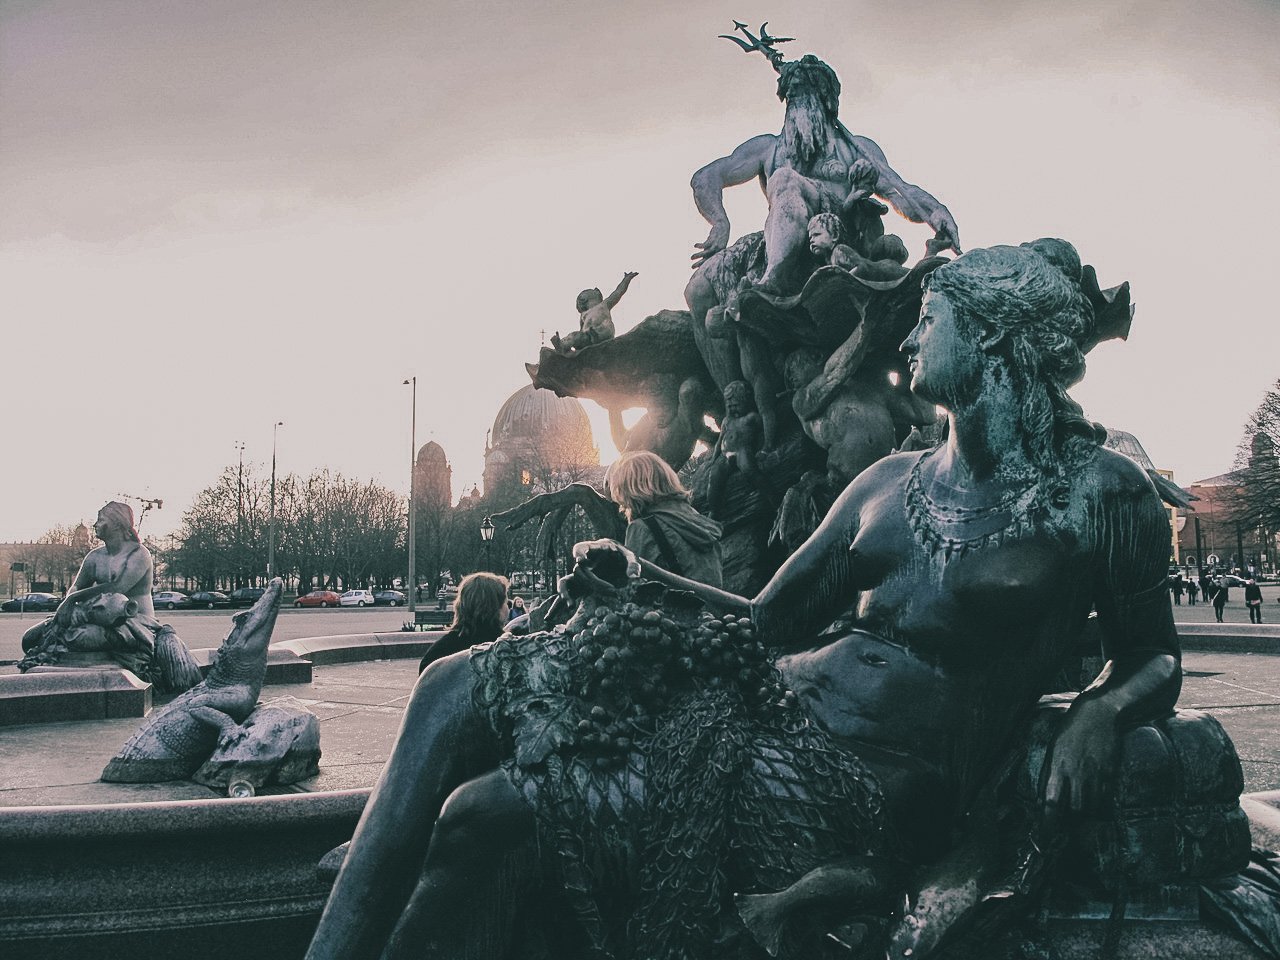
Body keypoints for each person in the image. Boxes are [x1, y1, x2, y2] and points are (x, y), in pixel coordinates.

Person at [305, 240, 1180, 960]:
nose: (912, 339)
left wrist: (1102, 709)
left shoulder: (1102, 492)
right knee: (450, 684)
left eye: (931, 320)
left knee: (485, 815)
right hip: (762, 701)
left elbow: (1154, 655)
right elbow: (765, 620)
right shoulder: (887, 482)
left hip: (862, 777)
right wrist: (641, 580)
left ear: (990, 337)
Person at [605, 450, 725, 589]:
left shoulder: (642, 528)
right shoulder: (695, 517)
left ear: (629, 489)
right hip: (714, 602)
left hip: (674, 603)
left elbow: (635, 585)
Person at [416, 572, 509, 673]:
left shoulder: (437, 655)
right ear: (496, 607)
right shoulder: (510, 651)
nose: (508, 608)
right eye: (506, 603)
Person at [552, 271, 638, 354]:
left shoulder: (604, 304)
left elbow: (618, 292)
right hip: (587, 337)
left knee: (607, 324)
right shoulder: (584, 314)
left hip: (602, 333)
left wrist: (626, 279)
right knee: (574, 335)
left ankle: (596, 337)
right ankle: (563, 345)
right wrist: (578, 338)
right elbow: (581, 329)